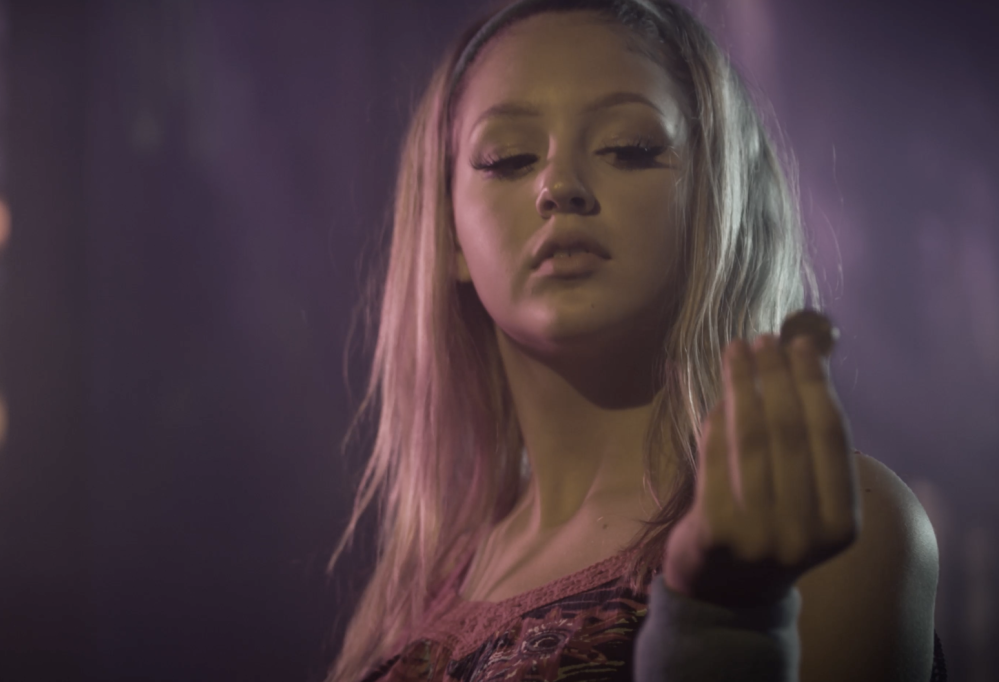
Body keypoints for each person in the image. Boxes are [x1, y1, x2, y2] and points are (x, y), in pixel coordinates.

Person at [326, 1, 942, 680]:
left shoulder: (815, 527)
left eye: (629, 148)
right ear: (448, 234)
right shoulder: (408, 596)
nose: (559, 186)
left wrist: (722, 629)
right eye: (509, 158)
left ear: (714, 198)